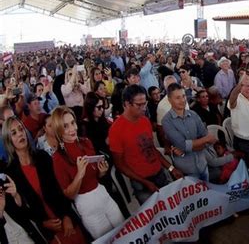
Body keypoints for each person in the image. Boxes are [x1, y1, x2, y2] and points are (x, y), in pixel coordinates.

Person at [2, 116, 87, 244]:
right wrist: (42, 223)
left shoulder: (43, 157)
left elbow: (59, 189)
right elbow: (20, 211)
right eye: (14, 133)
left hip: (66, 220)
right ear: (8, 140)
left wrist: (66, 216)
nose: (20, 134)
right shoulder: (10, 172)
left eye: (21, 129)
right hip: (46, 232)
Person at [50, 106, 124, 239]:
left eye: (73, 123)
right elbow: (69, 195)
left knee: (125, 230)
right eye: (66, 126)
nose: (72, 129)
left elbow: (96, 176)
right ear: (59, 130)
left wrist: (102, 171)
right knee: (107, 240)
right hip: (86, 205)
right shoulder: (57, 158)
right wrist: (79, 174)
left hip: (102, 193)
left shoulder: (86, 142)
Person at [109, 85, 183, 204]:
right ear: (127, 104)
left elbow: (152, 149)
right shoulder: (116, 130)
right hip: (141, 182)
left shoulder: (144, 121)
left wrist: (171, 168)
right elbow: (120, 165)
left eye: (145, 103)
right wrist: (145, 182)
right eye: (139, 105)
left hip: (159, 174)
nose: (144, 108)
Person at [162, 83, 217, 181]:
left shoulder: (193, 114)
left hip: (202, 165)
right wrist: (204, 140)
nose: (183, 100)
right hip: (186, 172)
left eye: (183, 96)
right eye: (178, 98)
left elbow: (206, 140)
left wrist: (186, 149)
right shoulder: (167, 120)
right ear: (170, 100)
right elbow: (183, 145)